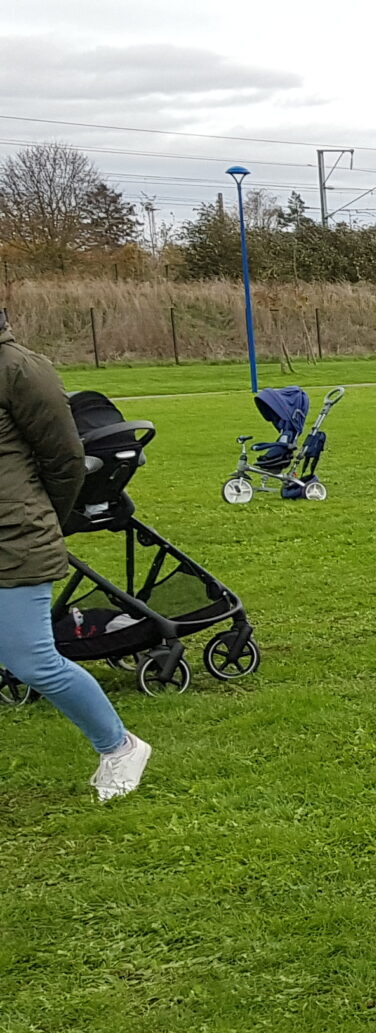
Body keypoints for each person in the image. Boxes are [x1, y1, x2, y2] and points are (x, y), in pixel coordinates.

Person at [0, 310, 149, 801]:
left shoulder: (19, 367)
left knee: (33, 660)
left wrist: (44, 517)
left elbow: (65, 458)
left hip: (14, 537)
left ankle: (120, 747)